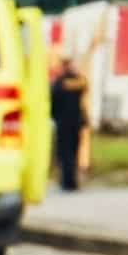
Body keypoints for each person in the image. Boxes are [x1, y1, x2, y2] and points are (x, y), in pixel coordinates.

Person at [46, 43, 90, 192]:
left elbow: (53, 100)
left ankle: (66, 182)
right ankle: (73, 182)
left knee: (64, 153)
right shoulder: (79, 80)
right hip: (77, 121)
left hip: (63, 122)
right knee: (74, 151)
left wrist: (53, 116)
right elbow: (85, 89)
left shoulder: (59, 82)